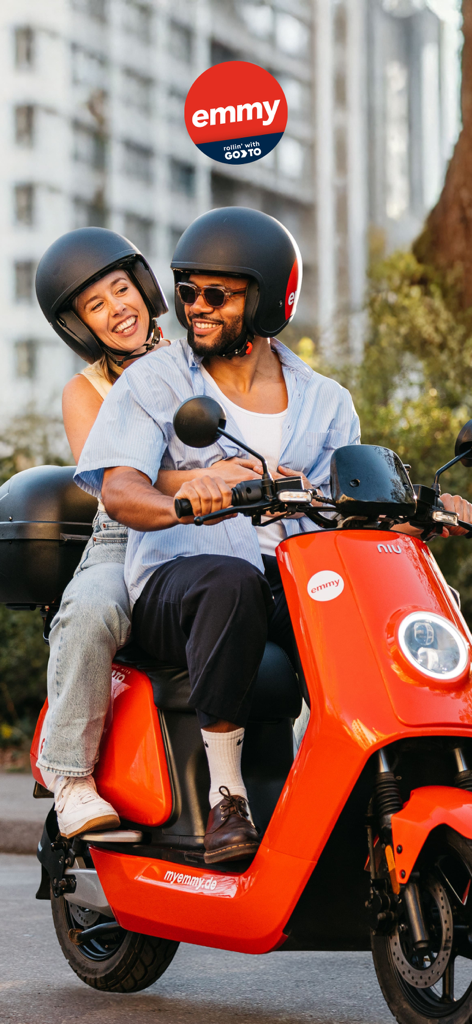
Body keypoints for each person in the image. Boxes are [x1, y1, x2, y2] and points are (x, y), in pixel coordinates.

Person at [75, 207, 472, 864]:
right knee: (228, 581)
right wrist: (189, 495)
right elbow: (121, 489)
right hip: (184, 581)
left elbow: (350, 506)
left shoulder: (325, 400)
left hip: (293, 581)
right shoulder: (157, 380)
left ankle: (391, 793)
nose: (194, 308)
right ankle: (226, 797)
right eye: (187, 291)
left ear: (263, 301)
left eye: (216, 295)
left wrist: (429, 511)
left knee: (399, 615)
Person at [35, 226, 262, 839]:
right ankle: (71, 776)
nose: (118, 311)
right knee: (92, 609)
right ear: (80, 326)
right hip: (126, 536)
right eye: (96, 307)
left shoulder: (202, 352)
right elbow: (116, 478)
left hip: (225, 529)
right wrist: (202, 478)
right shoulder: (85, 392)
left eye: (121, 291)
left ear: (144, 286)